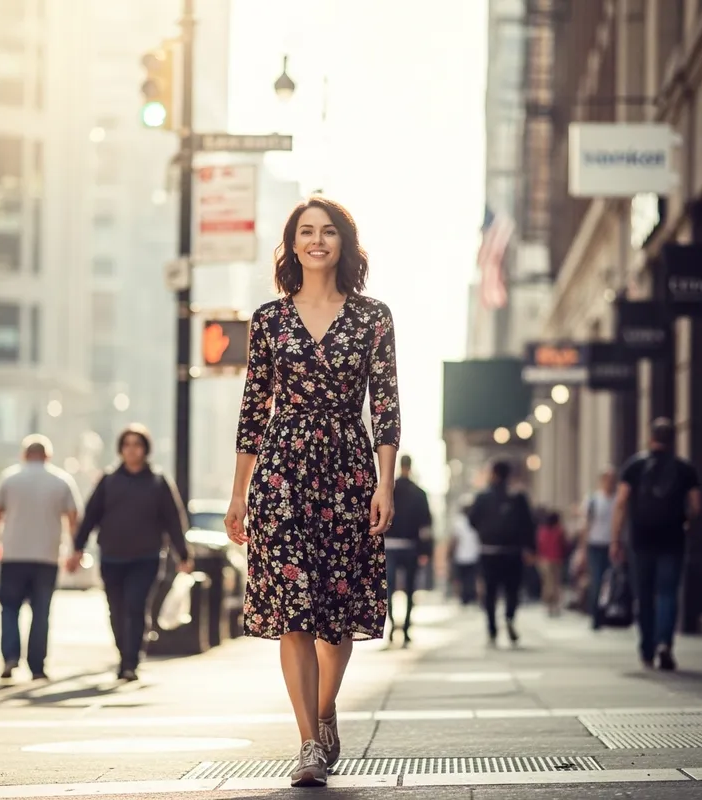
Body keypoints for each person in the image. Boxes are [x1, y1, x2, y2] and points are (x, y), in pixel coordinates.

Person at [224, 197, 400, 788]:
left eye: (328, 232)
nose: (317, 240)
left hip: (348, 471)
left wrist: (385, 483)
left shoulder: (374, 316)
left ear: (344, 244)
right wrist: (239, 494)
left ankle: (325, 710)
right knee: (294, 612)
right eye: (307, 231)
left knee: (336, 615)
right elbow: (253, 411)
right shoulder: (269, 320)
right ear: (293, 244)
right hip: (282, 473)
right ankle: (308, 744)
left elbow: (387, 407)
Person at [66, 424, 194, 682]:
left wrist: (183, 554)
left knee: (136, 606)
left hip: (146, 558)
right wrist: (77, 548)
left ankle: (130, 662)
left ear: (145, 449)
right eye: (127, 445)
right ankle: (124, 653)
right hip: (112, 557)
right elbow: (91, 515)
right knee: (116, 609)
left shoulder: (158, 482)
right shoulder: (109, 480)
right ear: (121, 450)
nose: (132, 450)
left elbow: (173, 520)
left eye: (137, 445)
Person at [0, 435, 82, 680]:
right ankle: (37, 666)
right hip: (47, 556)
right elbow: (73, 519)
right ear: (47, 456)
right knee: (41, 612)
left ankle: (10, 657)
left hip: (14, 555)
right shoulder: (61, 480)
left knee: (9, 608)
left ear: (24, 455)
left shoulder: (9, 478)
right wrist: (75, 551)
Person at [611, 418, 701, 671]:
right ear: (673, 439)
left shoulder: (634, 466)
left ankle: (647, 649)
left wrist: (616, 538)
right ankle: (665, 643)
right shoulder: (685, 469)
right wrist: (686, 521)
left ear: (650, 438)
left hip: (640, 539)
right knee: (668, 593)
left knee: (645, 595)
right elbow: (696, 506)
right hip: (672, 539)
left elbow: (620, 504)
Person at [469, 460, 536, 646]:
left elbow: (472, 520)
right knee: (512, 589)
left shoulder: (482, 497)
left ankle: (491, 629)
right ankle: (509, 617)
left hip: (489, 551)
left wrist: (485, 531)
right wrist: (530, 549)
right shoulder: (518, 497)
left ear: (494, 474)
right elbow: (528, 525)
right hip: (513, 552)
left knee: (490, 592)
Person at [386, 455, 432, 646]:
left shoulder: (390, 490)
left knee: (388, 589)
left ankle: (391, 626)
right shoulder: (419, 493)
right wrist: (425, 551)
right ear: (410, 467)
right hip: (411, 546)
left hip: (389, 545)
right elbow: (426, 527)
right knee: (410, 590)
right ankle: (405, 628)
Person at [581, 467, 617, 629]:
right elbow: (586, 525)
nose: (610, 482)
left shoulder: (618, 500)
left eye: (613, 479)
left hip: (613, 545)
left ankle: (608, 613)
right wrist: (582, 550)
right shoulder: (593, 500)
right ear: (602, 480)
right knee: (596, 580)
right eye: (608, 479)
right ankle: (595, 616)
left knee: (612, 582)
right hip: (595, 545)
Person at [448, 500, 480, 605]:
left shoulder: (459, 522)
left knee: (462, 578)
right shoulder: (476, 521)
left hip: (461, 555)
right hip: (474, 554)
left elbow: (454, 540)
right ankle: (471, 596)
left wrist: (450, 552)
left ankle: (465, 597)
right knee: (471, 577)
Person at [536, 511, 566, 616]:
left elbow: (539, 545)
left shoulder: (542, 531)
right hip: (556, 559)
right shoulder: (559, 531)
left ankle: (550, 604)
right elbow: (564, 545)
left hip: (545, 560)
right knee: (555, 583)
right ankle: (554, 605)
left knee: (548, 583)